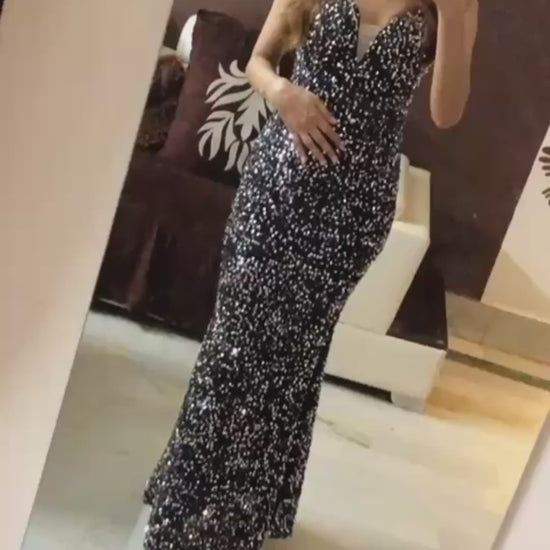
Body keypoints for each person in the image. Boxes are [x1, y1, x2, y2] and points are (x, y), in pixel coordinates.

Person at [142, 0, 478, 548]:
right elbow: (259, 61)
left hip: (353, 214)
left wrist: (457, 14)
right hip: (276, 188)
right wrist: (284, 94)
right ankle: (183, 504)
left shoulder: (453, 8)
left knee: (291, 363)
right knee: (233, 347)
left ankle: (242, 514)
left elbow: (447, 113)